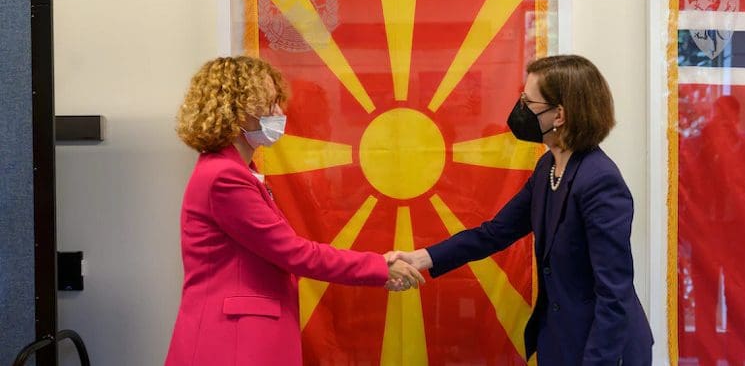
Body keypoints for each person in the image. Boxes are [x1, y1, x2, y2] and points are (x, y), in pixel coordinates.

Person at [393, 55, 653, 365]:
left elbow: (614, 293)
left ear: (559, 116)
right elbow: (494, 233)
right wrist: (421, 258)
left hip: (601, 347)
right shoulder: (548, 167)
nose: (520, 109)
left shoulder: (600, 181)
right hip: (559, 338)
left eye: (528, 102)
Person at [165, 56, 423, 366]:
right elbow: (295, 254)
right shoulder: (225, 177)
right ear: (236, 110)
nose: (278, 113)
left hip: (239, 335)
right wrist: (379, 267)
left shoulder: (235, 171)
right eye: (269, 103)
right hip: (234, 340)